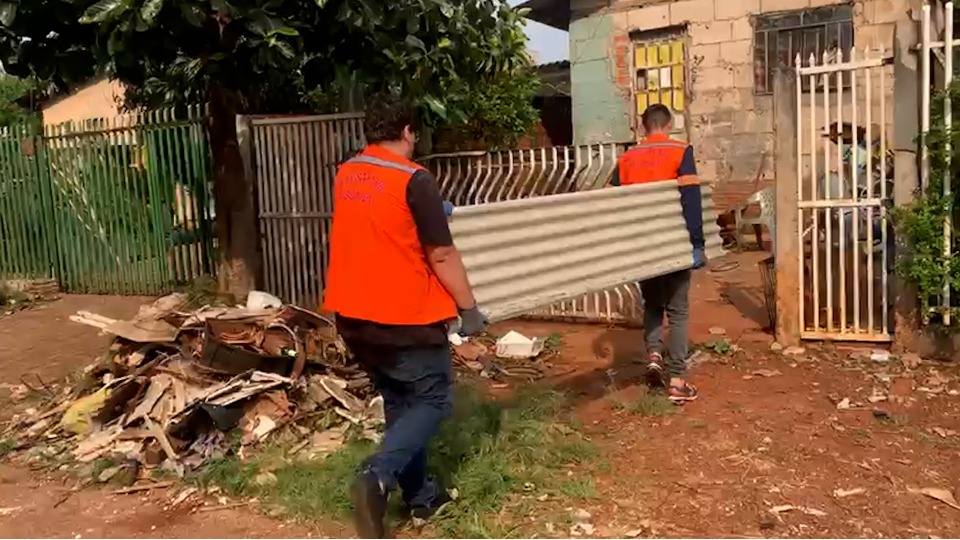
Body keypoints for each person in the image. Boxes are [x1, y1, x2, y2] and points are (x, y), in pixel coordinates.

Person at [323, 93, 488, 537]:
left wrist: (435, 210)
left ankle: (420, 498)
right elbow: (442, 254)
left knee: (401, 403)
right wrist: (469, 309)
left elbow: (381, 215)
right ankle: (376, 476)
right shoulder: (416, 179)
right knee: (433, 400)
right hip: (404, 318)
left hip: (353, 317)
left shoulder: (347, 173)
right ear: (409, 132)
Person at [610, 104, 706, 403]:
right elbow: (690, 198)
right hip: (673, 243)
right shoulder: (681, 151)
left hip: (642, 245)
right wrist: (697, 243)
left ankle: (653, 355)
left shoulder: (626, 158)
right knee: (677, 311)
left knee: (652, 304)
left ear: (642, 127)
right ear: (670, 123)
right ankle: (676, 380)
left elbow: (613, 201)